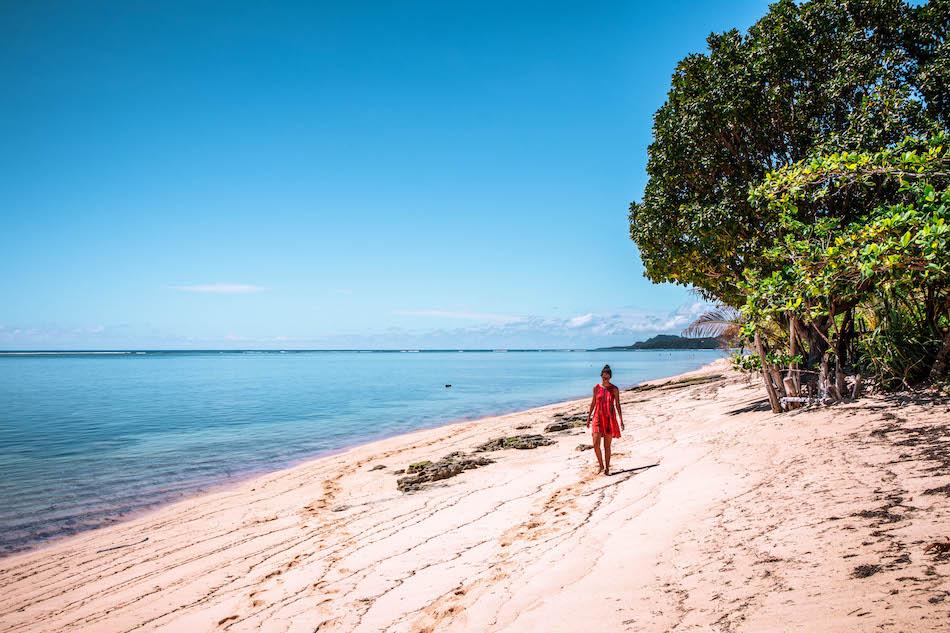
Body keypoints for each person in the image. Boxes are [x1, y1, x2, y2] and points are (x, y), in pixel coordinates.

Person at [586, 364, 624, 475]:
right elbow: (593, 403)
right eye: (603, 376)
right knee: (595, 444)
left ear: (610, 377)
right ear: (601, 376)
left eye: (607, 376)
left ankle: (607, 468)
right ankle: (601, 465)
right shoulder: (596, 388)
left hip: (609, 419)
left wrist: (621, 420)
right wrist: (588, 418)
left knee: (607, 446)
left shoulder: (614, 389)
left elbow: (618, 405)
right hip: (597, 417)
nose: (605, 378)